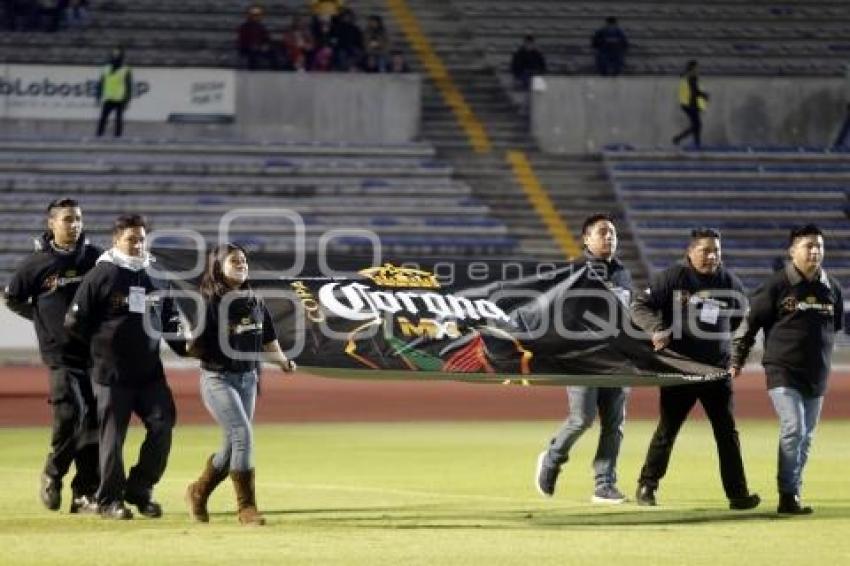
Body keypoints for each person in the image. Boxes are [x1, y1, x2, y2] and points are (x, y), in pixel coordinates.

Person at [631, 228, 760, 510]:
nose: (712, 256)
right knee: (668, 430)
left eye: (717, 251)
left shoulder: (730, 283)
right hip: (680, 370)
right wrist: (656, 328)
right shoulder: (672, 278)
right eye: (706, 251)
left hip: (716, 372)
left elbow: (737, 318)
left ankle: (738, 495)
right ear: (690, 252)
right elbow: (639, 305)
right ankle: (646, 486)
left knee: (727, 434)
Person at [65, 214, 184, 520]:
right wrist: (99, 351)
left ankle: (140, 488)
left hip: (149, 374)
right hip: (111, 374)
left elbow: (169, 320)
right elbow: (74, 321)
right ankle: (108, 501)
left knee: (163, 426)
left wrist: (186, 347)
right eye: (131, 239)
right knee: (113, 439)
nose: (137, 244)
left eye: (141, 239)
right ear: (116, 240)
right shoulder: (102, 273)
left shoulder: (155, 273)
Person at [732, 224, 844, 515]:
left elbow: (834, 329)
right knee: (794, 428)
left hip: (817, 374)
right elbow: (750, 323)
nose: (816, 251)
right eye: (809, 246)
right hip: (782, 369)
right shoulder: (776, 285)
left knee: (806, 436)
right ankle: (787, 494)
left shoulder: (832, 288)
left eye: (819, 246)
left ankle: (794, 490)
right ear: (792, 250)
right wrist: (737, 359)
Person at [185, 244, 296, 526]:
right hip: (218, 379)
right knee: (242, 435)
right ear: (218, 267)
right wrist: (192, 344)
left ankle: (198, 492)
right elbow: (194, 343)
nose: (241, 265)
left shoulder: (254, 300)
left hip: (248, 379)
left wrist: (283, 361)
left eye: (244, 261)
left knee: (232, 446)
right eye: (234, 261)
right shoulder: (210, 302)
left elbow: (268, 337)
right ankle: (246, 508)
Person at [4, 198, 101, 514]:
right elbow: (12, 297)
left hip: (95, 354)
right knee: (70, 417)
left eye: (78, 219)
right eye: (67, 219)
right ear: (52, 224)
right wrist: (43, 318)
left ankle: (84, 495)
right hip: (60, 355)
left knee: (95, 422)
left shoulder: (96, 259)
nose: (73, 225)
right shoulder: (35, 263)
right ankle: (53, 472)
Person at [535, 213, 632, 503]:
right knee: (582, 419)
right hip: (582, 358)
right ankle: (552, 458)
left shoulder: (622, 272)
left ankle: (604, 484)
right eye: (602, 232)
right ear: (586, 239)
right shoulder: (574, 271)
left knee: (615, 424)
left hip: (617, 359)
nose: (609, 237)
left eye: (613, 233)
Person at [95, 47, 132, 138]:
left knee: (118, 119)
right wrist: (98, 96)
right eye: (114, 55)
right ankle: (99, 135)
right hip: (108, 97)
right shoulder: (106, 69)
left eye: (117, 55)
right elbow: (101, 83)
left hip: (120, 98)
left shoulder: (126, 69)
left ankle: (118, 137)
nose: (115, 57)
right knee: (103, 118)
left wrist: (127, 99)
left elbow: (128, 86)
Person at [672, 60, 708, 149]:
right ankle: (678, 138)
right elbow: (694, 91)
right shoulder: (691, 77)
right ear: (693, 68)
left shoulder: (688, 76)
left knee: (697, 125)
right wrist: (704, 95)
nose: (698, 69)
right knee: (697, 125)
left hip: (688, 103)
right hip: (689, 104)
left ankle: (696, 143)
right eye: (697, 67)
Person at [236, 5, 278, 70]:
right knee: (252, 53)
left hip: (259, 47)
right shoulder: (244, 27)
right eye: (254, 15)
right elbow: (242, 40)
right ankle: (252, 72)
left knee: (273, 51)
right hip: (247, 48)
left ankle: (275, 71)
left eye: (258, 15)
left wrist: (265, 45)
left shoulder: (261, 26)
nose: (256, 17)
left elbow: (267, 38)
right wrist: (253, 45)